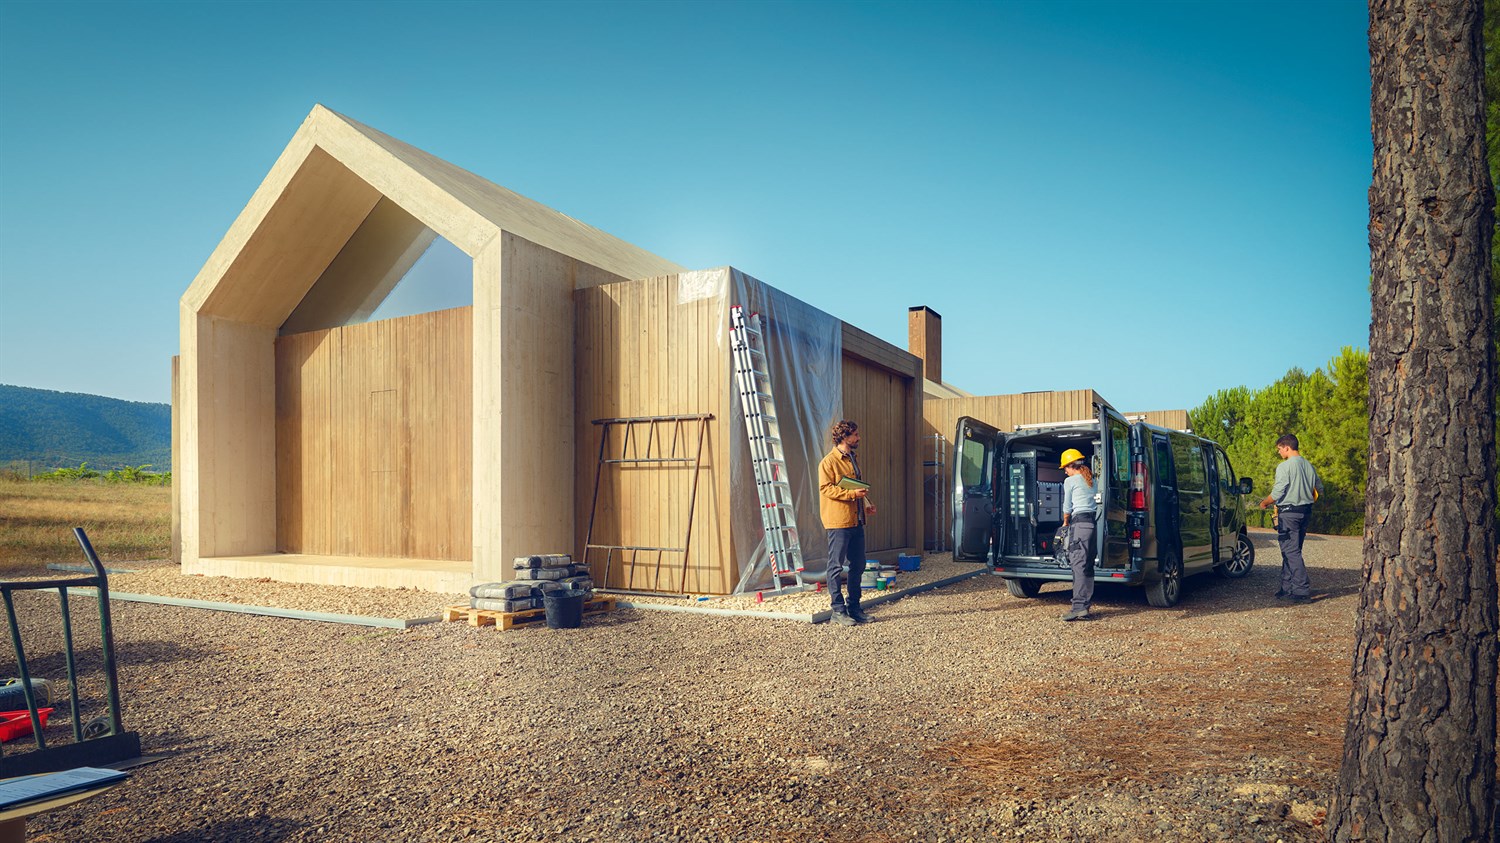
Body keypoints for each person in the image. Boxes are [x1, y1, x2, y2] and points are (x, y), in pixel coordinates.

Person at [818, 419, 876, 626]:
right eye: (855, 435)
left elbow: (855, 486)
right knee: (835, 566)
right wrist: (853, 494)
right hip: (838, 521)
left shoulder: (852, 458)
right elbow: (826, 489)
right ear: (845, 437)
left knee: (858, 564)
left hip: (857, 520)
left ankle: (854, 608)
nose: (858, 438)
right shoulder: (828, 462)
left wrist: (867, 503)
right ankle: (837, 611)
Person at [1259, 433, 1322, 602]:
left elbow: (1278, 492)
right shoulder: (1310, 466)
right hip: (1305, 512)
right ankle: (1286, 588)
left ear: (1287, 447)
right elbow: (1319, 489)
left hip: (1288, 514)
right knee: (1293, 550)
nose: (1279, 452)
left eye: (1280, 449)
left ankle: (1301, 591)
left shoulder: (1284, 467)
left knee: (1290, 551)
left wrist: (1265, 502)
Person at [1059, 448, 1096, 621]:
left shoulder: (1070, 481)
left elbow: (1067, 508)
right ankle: (1084, 606)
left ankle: (1079, 608)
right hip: (1092, 525)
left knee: (1078, 565)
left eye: (1065, 467)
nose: (1065, 471)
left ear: (1072, 465)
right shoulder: (1091, 479)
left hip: (1079, 525)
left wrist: (1065, 522)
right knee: (1087, 565)